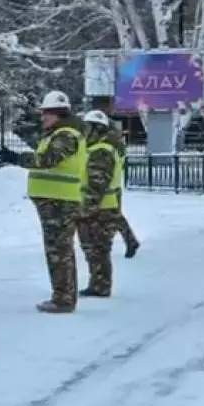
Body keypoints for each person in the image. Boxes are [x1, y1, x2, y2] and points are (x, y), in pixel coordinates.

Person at [0, 90, 86, 313]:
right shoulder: (59, 134)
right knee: (59, 249)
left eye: (47, 113)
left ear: (59, 114)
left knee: (59, 251)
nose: (43, 117)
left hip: (60, 201)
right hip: (55, 200)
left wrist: (17, 158)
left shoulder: (66, 135)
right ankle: (64, 295)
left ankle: (63, 299)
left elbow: (48, 160)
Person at [77, 110, 124, 297]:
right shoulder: (100, 148)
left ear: (98, 129)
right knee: (97, 249)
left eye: (88, 128)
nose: (84, 132)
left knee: (97, 249)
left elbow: (97, 184)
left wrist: (85, 209)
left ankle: (100, 286)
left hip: (99, 209)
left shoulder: (101, 151)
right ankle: (98, 283)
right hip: (104, 207)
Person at [108, 123, 141, 258]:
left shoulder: (109, 147)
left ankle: (129, 240)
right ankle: (129, 240)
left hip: (108, 186)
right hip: (114, 185)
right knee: (114, 216)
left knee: (113, 216)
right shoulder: (118, 146)